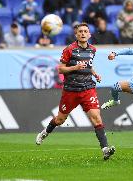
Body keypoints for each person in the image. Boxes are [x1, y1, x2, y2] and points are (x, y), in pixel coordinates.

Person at [35, 23, 116, 160]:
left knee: (96, 117)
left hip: (88, 89)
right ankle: (45, 132)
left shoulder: (92, 50)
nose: (83, 33)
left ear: (89, 34)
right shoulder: (69, 49)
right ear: (76, 35)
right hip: (71, 90)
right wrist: (75, 67)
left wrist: (94, 73)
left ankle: (105, 149)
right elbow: (60, 69)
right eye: (80, 31)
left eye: (86, 31)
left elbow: (89, 65)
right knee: (60, 119)